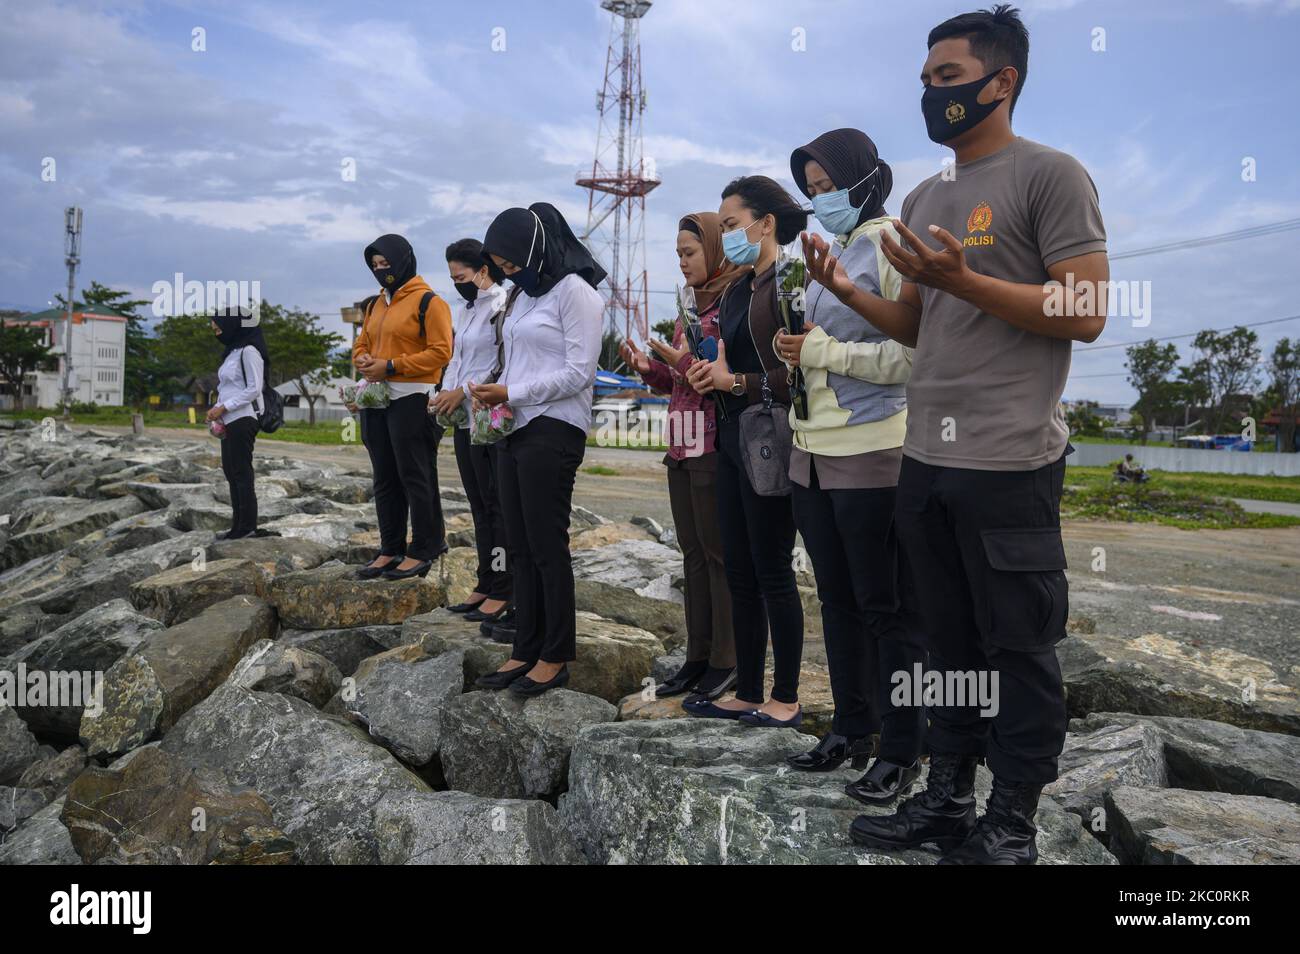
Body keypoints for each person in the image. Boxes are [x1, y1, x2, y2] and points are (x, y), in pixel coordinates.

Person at [805, 5, 1109, 863]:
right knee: (945, 641)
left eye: (949, 77)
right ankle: (945, 798)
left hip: (1008, 459)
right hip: (925, 460)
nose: (933, 93)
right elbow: (917, 324)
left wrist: (969, 282)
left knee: (1017, 645)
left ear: (1000, 81)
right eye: (926, 80)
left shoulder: (1051, 175)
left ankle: (1010, 824)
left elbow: (1086, 312)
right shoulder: (925, 196)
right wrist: (852, 291)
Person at [773, 129, 927, 802]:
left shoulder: (895, 244)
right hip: (811, 452)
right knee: (835, 601)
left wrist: (822, 353)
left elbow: (912, 360)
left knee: (885, 608)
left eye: (826, 185)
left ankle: (903, 746)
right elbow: (821, 346)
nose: (818, 198)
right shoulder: (833, 250)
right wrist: (795, 349)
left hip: (870, 452)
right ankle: (850, 727)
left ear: (863, 179)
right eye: (809, 189)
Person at [683, 176, 807, 727]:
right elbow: (730, 361)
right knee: (740, 567)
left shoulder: (793, 283)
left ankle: (785, 695)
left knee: (773, 567)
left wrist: (738, 384)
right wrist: (711, 373)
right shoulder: (737, 290)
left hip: (774, 438)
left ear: (766, 224)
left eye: (732, 225)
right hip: (730, 437)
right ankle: (749, 689)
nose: (728, 234)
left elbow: (801, 373)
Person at [470, 203, 605, 696]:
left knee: (548, 545)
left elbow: (578, 372)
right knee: (520, 546)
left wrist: (513, 393)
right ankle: (524, 649)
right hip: (514, 426)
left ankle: (555, 656)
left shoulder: (577, 293)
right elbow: (517, 360)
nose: (508, 273)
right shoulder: (524, 296)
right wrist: (492, 389)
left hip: (554, 428)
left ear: (534, 249)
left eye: (511, 263)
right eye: (501, 267)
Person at [619, 212, 745, 701]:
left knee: (718, 556)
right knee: (691, 555)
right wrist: (650, 368)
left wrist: (682, 361)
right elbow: (678, 381)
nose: (682, 261)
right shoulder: (689, 307)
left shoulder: (732, 303)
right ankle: (697, 655)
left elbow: (718, 379)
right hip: (681, 441)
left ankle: (726, 661)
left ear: (713, 250)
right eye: (677, 253)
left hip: (713, 442)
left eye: (689, 252)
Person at [352, 234, 454, 580]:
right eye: (376, 266)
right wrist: (364, 358)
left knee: (416, 474)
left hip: (413, 396)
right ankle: (390, 547)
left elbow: (441, 352)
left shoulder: (429, 302)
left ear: (404, 260)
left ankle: (426, 546)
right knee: (384, 475)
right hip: (377, 398)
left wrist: (391, 366)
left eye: (387, 264)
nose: (382, 271)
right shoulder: (375, 304)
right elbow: (362, 343)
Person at [434, 238, 514, 623]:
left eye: (461, 275)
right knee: (478, 503)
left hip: (488, 414)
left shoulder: (501, 304)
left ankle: (503, 584)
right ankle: (485, 580)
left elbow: (500, 360)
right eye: (451, 277)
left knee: (497, 503)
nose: (456, 283)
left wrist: (462, 391)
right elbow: (457, 358)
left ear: (483, 271)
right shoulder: (466, 310)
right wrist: (443, 392)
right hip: (464, 419)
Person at [206, 308, 270, 540]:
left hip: (244, 418)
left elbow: (254, 389)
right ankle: (237, 527)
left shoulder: (250, 352)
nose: (217, 333)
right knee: (231, 472)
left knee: (242, 473)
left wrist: (225, 406)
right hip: (228, 419)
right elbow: (227, 387)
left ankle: (248, 527)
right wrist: (216, 408)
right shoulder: (231, 352)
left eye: (219, 328)